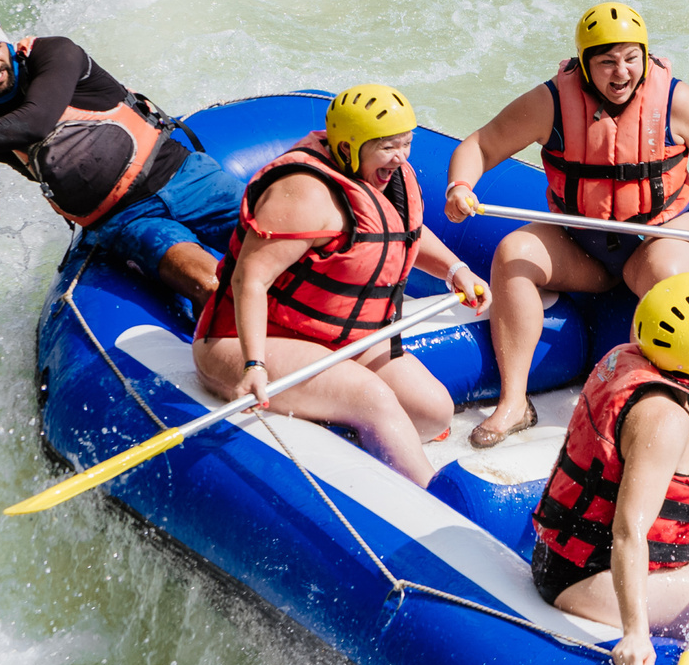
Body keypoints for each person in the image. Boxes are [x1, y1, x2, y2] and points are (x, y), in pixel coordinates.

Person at [441, 2, 689, 447]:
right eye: (606, 62)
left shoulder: (678, 101)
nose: (620, 73)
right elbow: (481, 144)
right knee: (513, 254)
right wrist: (458, 185)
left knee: (669, 279)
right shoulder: (550, 103)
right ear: (584, 65)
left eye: (630, 58)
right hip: (582, 242)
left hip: (663, 233)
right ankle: (514, 402)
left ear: (645, 56)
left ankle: (668, 407)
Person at [0, 0, 243, 349]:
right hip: (129, 221)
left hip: (186, 177)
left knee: (285, 239)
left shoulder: (54, 54)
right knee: (210, 285)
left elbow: (36, 121)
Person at [190, 87, 487, 488]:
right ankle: (432, 499)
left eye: (406, 144)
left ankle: (336, 427)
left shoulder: (390, 177)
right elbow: (250, 278)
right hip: (245, 340)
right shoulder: (304, 194)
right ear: (348, 147)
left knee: (433, 411)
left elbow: (400, 231)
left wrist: (455, 269)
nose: (401, 156)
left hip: (337, 338)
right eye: (387, 147)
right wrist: (253, 364)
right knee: (372, 398)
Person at [531, 273, 689, 665]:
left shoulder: (650, 363)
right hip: (587, 574)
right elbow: (628, 530)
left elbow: (660, 465)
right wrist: (635, 633)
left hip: (596, 557)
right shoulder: (663, 418)